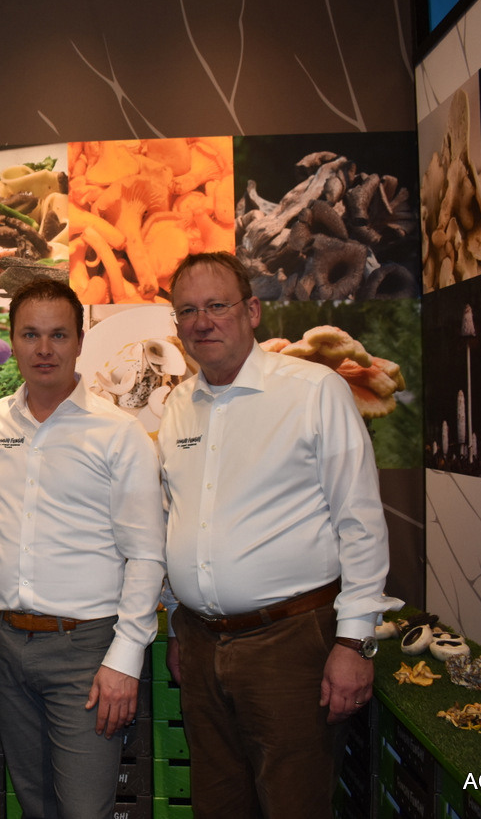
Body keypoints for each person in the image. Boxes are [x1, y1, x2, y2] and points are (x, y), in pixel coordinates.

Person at [156, 252, 401, 818]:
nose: (202, 322)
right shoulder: (177, 406)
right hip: (199, 645)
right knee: (217, 805)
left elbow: (361, 521)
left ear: (252, 311)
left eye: (217, 305)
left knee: (295, 803)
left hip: (290, 646)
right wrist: (176, 627)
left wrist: (354, 642)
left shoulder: (314, 390)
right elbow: (176, 517)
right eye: (187, 310)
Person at [0, 279, 166, 819]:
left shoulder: (119, 432)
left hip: (86, 651)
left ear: (80, 341)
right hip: (6, 643)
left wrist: (124, 658)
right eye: (30, 334)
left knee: (83, 809)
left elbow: (147, 554)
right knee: (35, 805)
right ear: (12, 341)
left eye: (58, 335)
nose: (44, 349)